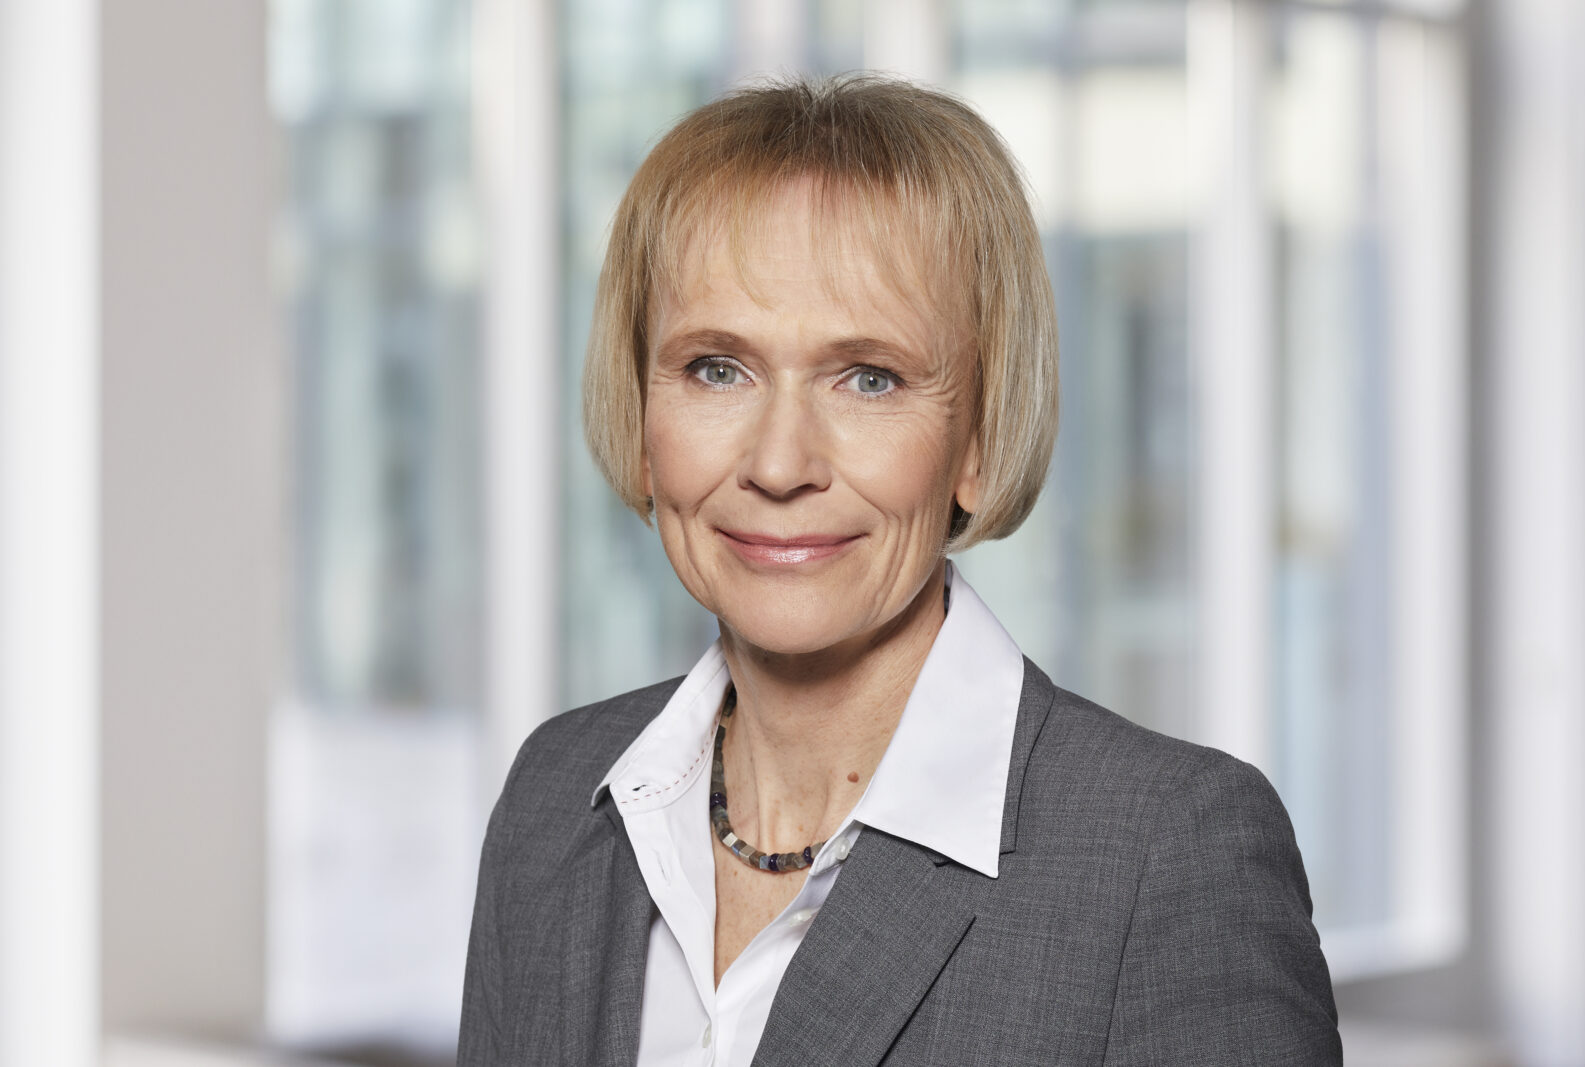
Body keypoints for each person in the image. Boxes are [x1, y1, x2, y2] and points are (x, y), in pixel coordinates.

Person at [458, 74, 1340, 1066]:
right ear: (642, 415)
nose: (779, 464)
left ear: (979, 438)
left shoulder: (1168, 853)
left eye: (868, 377)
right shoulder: (553, 798)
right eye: (717, 367)